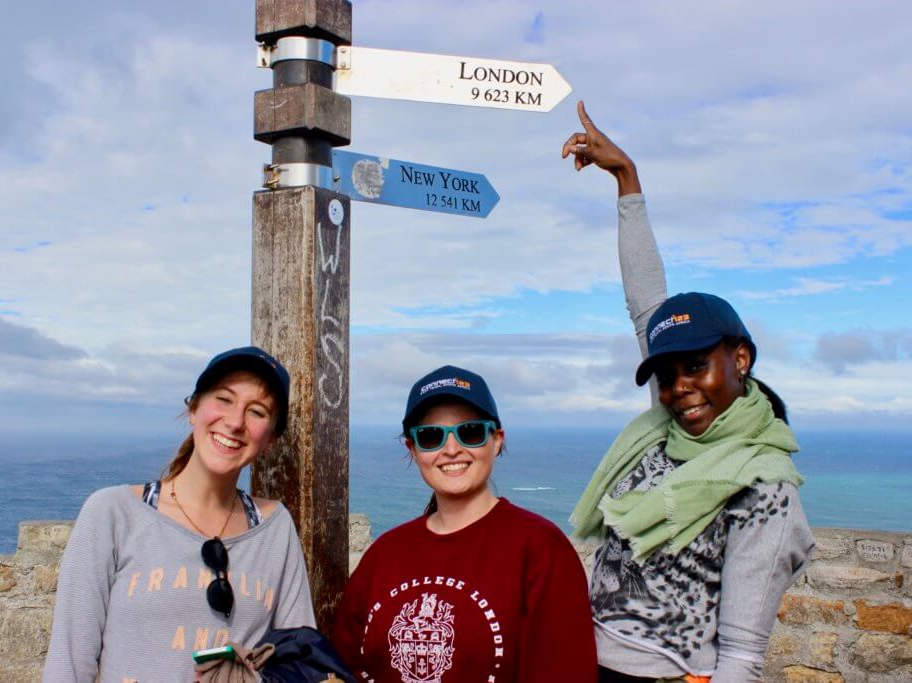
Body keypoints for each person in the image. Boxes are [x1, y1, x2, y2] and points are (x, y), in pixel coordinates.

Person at [563, 102, 815, 683]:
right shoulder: (665, 429)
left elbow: (743, 654)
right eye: (665, 373)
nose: (679, 389)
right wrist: (627, 180)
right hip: (581, 656)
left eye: (697, 367)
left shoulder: (765, 486)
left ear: (740, 359)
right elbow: (646, 303)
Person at [43, 346, 316, 682]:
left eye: (257, 412)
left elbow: (300, 662)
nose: (234, 422)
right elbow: (67, 667)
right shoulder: (113, 513)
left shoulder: (275, 529)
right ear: (193, 408)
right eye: (224, 399)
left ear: (270, 440)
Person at [331, 365, 598, 682]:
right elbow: (344, 665)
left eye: (469, 432)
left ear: (496, 440)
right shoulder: (383, 555)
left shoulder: (541, 549)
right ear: (413, 450)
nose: (451, 449)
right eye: (431, 437)